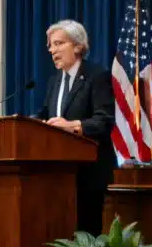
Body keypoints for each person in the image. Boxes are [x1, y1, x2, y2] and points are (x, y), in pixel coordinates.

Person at [35, 20, 116, 235]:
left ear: (78, 46)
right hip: (58, 172)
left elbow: (104, 120)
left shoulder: (97, 76)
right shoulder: (54, 81)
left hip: (89, 172)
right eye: (50, 46)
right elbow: (45, 115)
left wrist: (72, 126)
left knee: (86, 233)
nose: (52, 50)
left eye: (58, 43)